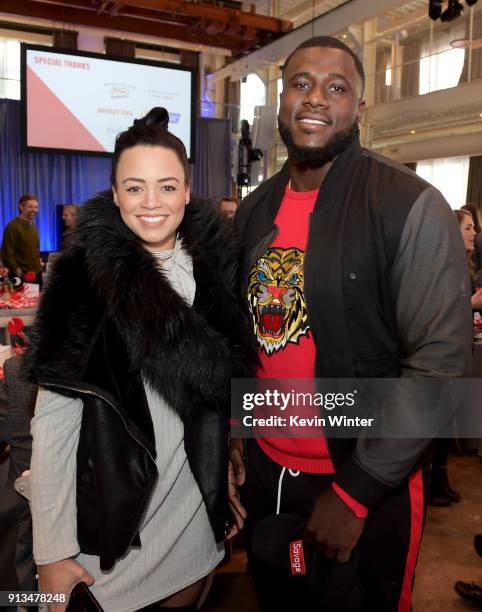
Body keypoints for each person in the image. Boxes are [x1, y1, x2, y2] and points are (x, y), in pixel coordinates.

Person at [231, 36, 472, 612]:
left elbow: (440, 365)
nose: (317, 98)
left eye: (336, 87)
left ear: (358, 109)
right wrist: (236, 436)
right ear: (282, 101)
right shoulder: (252, 211)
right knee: (283, 597)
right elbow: (244, 341)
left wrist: (357, 491)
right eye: (302, 83)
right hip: (270, 479)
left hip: (360, 483)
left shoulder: (409, 205)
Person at [25, 107, 255, 612]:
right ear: (115, 195)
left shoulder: (214, 272)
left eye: (167, 187)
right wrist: (51, 553)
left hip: (194, 525)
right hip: (117, 532)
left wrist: (222, 474)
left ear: (187, 192)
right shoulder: (83, 282)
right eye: (135, 187)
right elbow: (53, 427)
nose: (152, 203)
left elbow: (211, 398)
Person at [1, 194, 42, 283]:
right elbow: (6, 254)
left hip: (37, 273)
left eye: (36, 207)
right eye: (30, 207)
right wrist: (18, 272)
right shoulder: (12, 226)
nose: (34, 210)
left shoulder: (34, 226)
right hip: (22, 276)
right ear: (21, 207)